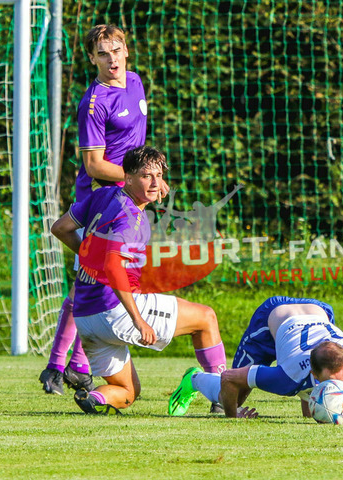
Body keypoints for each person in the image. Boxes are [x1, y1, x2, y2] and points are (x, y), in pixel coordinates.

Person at [39, 24, 169, 395]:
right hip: (102, 197)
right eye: (102, 53)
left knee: (94, 279)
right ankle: (61, 367)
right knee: (95, 279)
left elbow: (134, 144)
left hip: (129, 196)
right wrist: (141, 180)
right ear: (92, 59)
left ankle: (67, 368)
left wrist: (148, 179)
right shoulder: (93, 103)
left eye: (116, 50)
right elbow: (94, 164)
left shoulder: (135, 82)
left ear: (126, 51)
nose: (111, 59)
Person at [51, 146, 227, 415]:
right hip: (114, 311)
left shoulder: (103, 195)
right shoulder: (131, 218)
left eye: (159, 176)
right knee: (205, 318)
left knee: (128, 391)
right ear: (128, 178)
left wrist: (90, 258)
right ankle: (223, 396)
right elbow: (113, 267)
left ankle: (94, 398)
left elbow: (60, 228)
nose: (155, 183)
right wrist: (138, 320)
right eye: (147, 176)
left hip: (86, 317)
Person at [168, 296, 343, 420]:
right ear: (313, 373)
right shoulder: (286, 377)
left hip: (316, 309)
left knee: (309, 409)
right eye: (330, 382)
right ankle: (194, 379)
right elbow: (229, 377)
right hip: (272, 317)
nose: (341, 386)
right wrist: (233, 415)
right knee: (232, 397)